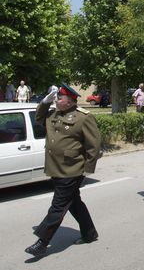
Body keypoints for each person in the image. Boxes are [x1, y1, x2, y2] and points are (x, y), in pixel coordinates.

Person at [25, 84, 102, 258]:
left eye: (59, 98)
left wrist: (88, 168)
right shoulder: (54, 114)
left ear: (69, 102)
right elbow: (39, 118)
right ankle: (89, 233)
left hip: (72, 168)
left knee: (58, 206)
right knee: (74, 202)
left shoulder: (83, 117)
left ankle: (42, 242)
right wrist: (44, 102)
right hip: (55, 167)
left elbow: (94, 144)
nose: (56, 100)